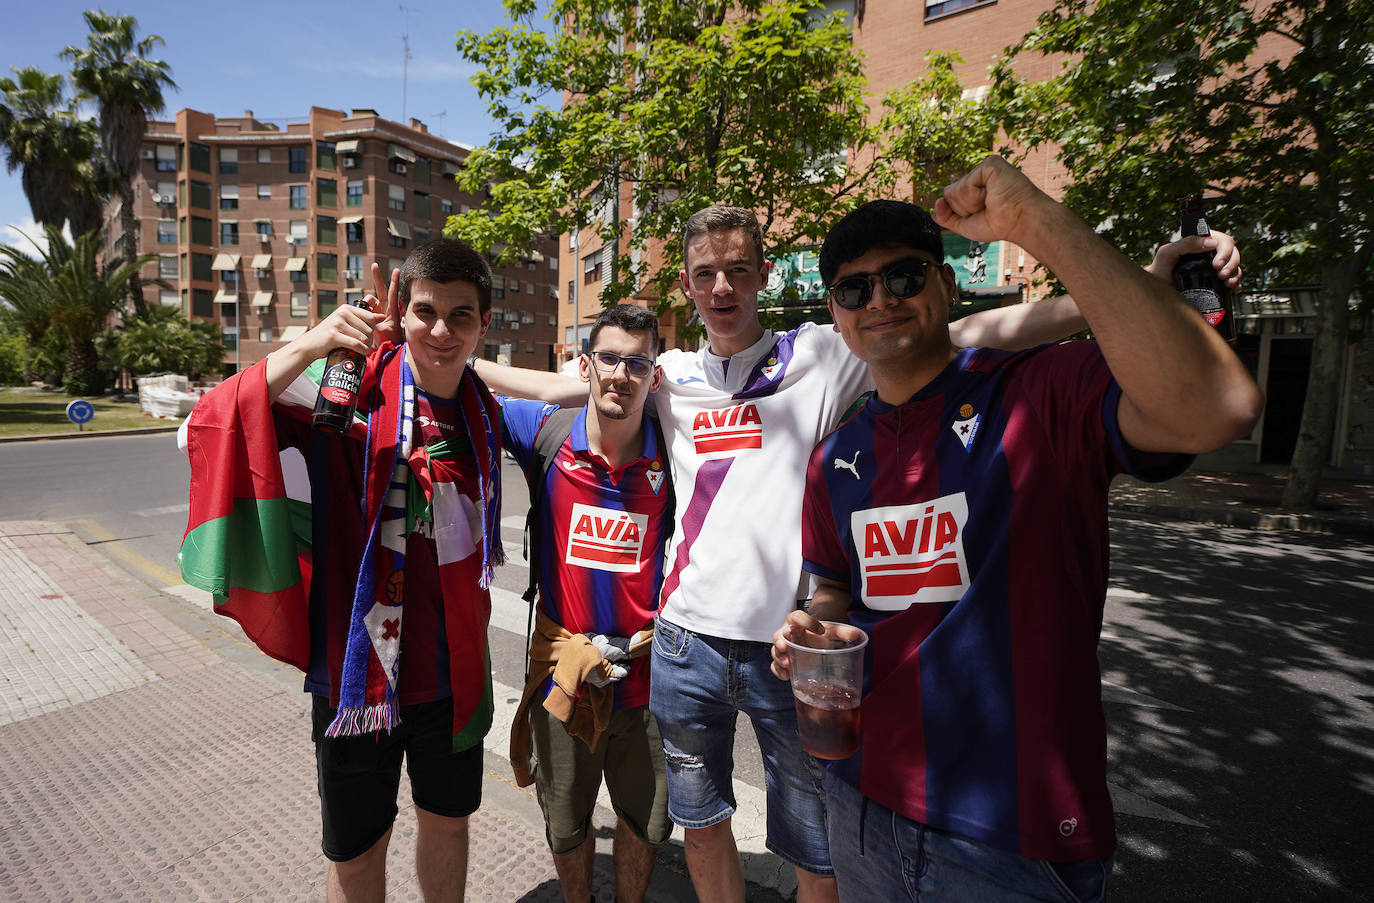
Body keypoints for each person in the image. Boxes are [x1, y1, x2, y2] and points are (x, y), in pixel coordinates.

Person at [769, 156, 1263, 901]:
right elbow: (835, 584)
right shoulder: (837, 453)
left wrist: (1033, 220)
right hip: (862, 802)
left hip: (1011, 839)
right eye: (854, 288)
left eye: (904, 276)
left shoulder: (1042, 391)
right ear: (837, 313)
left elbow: (1216, 407)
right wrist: (814, 625)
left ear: (946, 283)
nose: (881, 300)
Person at [178, 238, 504, 903]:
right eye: (425, 311)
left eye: (461, 315)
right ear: (400, 311)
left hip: (451, 675)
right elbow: (200, 427)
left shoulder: (483, 412)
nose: (441, 330)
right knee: (356, 851)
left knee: (447, 825)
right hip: (357, 677)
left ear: (483, 325)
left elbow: (571, 398)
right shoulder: (340, 393)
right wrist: (314, 338)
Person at [502, 304, 674, 903]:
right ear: (586, 366)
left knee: (645, 821)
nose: (621, 374)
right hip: (563, 675)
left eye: (637, 362)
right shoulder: (546, 434)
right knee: (565, 820)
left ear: (654, 376)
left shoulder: (674, 450)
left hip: (649, 680)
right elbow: (455, 387)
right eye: (609, 359)